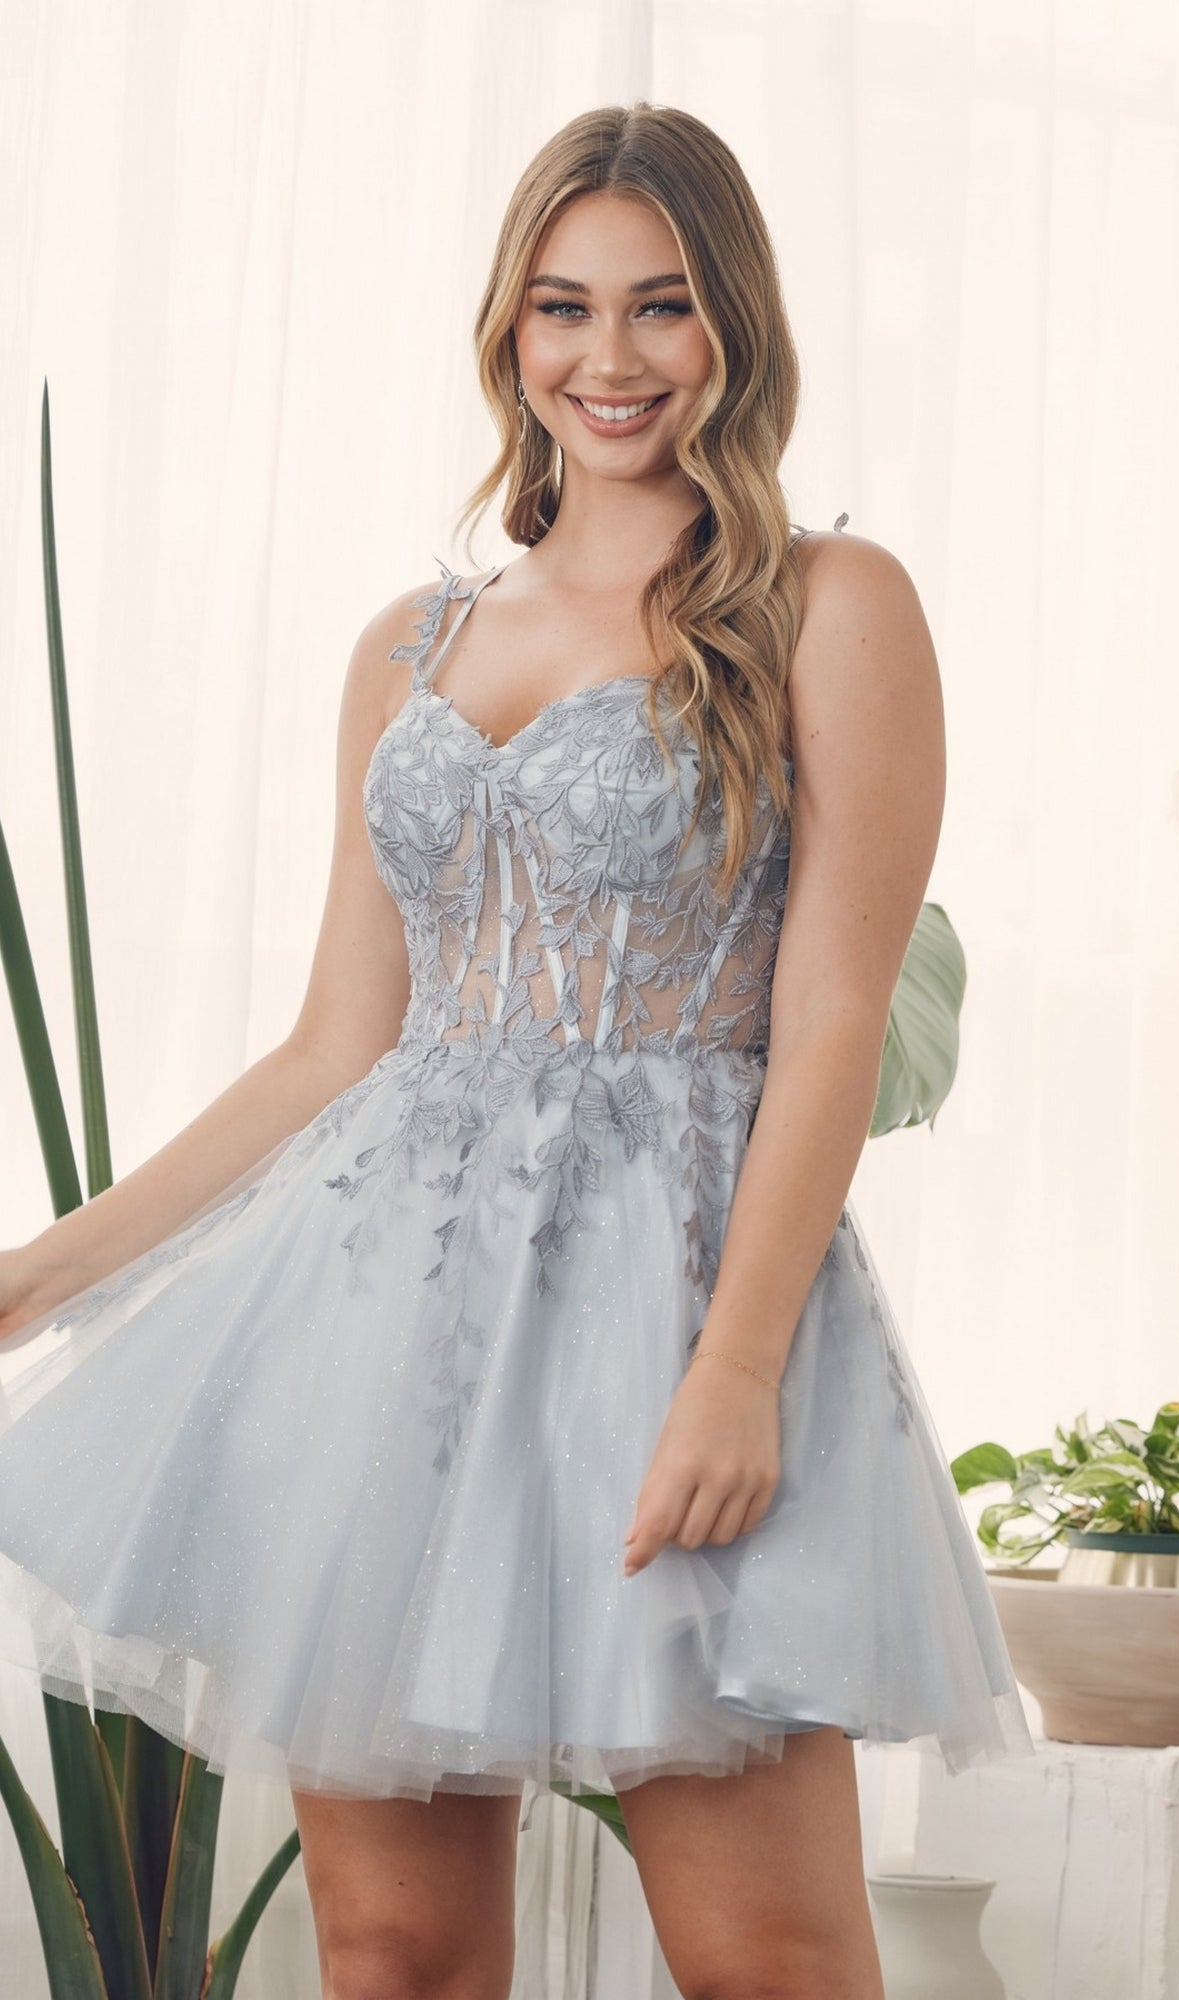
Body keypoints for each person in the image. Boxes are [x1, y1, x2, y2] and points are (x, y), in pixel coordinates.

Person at [0, 102, 1032, 2000]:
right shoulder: (408, 643)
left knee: (771, 1954)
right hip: (391, 1326)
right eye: (564, 308)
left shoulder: (829, 607)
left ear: (738, 325)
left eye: (661, 307)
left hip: (681, 1314)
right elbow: (335, 1048)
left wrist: (734, 1373)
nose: (610, 360)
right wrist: (35, 1279)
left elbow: (829, 1025)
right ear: (508, 330)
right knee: (390, 1951)